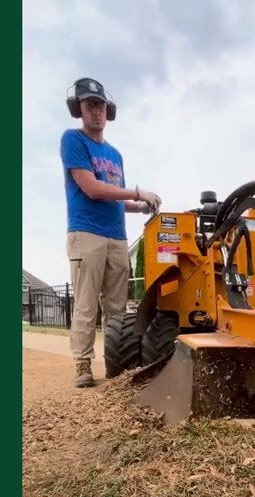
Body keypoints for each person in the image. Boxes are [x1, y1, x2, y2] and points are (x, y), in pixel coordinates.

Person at [59, 77, 161, 388]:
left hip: (117, 236)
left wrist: (138, 206)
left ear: (108, 111)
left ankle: (118, 365)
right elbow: (91, 188)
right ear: (79, 109)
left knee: (117, 307)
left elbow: (113, 198)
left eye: (100, 105)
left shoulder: (115, 155)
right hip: (86, 233)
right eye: (90, 105)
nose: (96, 111)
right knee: (87, 303)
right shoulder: (73, 140)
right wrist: (138, 192)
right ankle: (82, 364)